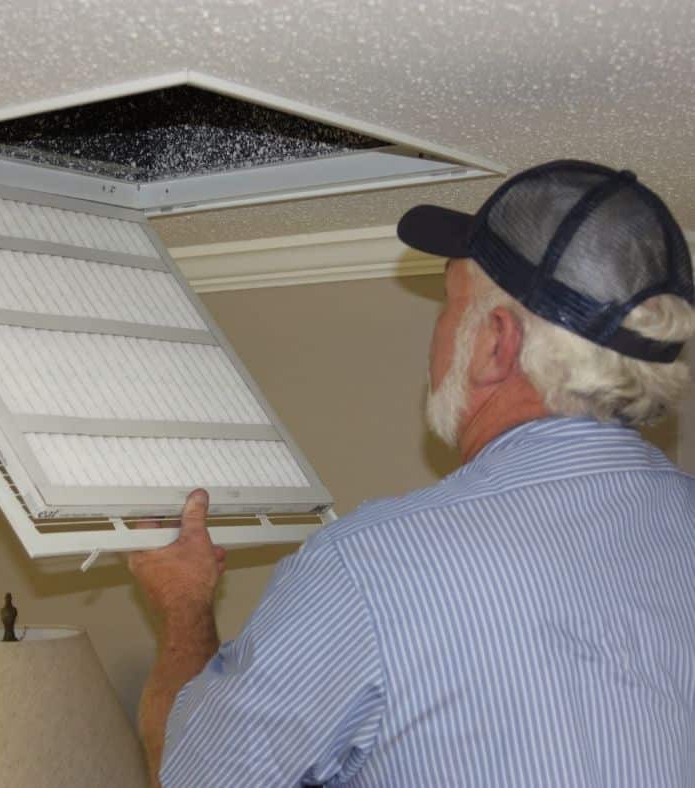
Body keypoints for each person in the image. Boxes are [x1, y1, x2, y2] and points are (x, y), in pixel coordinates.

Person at [129, 159, 695, 786]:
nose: (439, 335)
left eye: (450, 307)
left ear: (496, 343)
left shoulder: (369, 567)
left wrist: (184, 604)